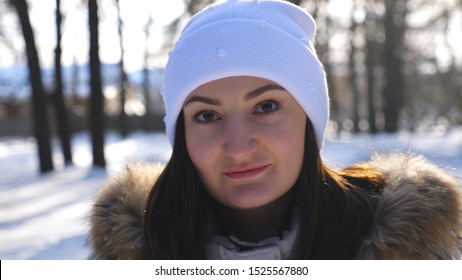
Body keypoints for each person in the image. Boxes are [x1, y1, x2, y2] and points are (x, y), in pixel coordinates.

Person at [88, 0, 462, 259]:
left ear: (309, 117)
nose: (236, 147)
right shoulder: (136, 253)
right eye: (206, 115)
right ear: (181, 133)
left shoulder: (406, 253)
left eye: (266, 107)